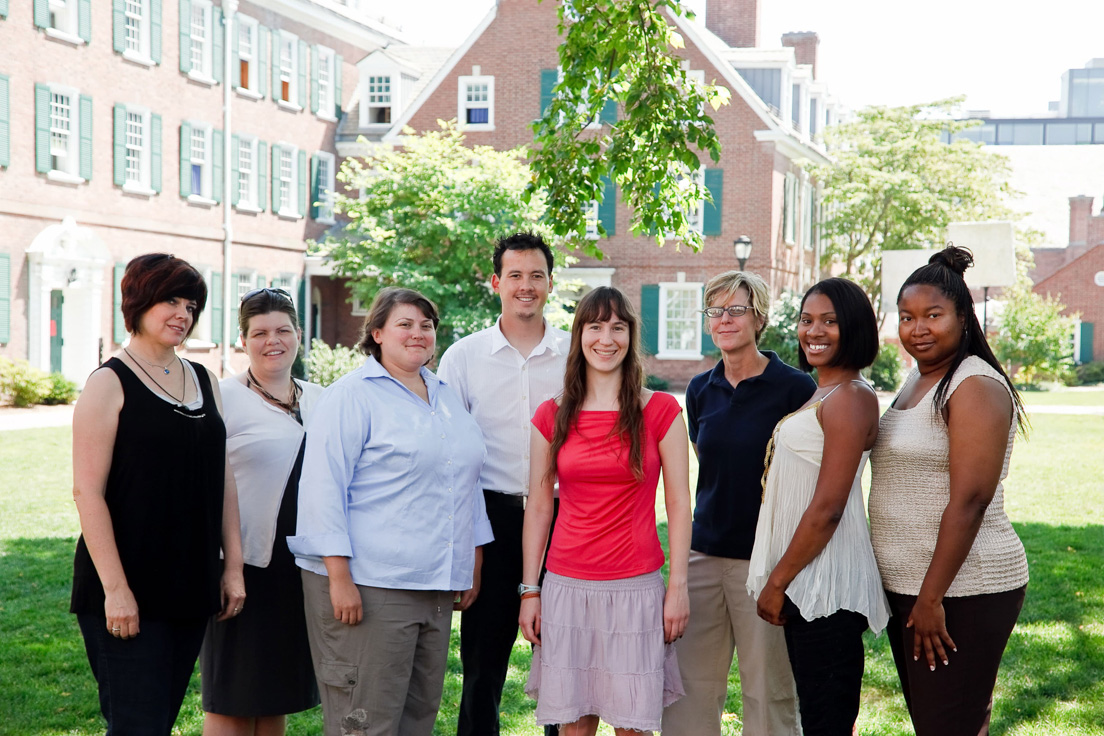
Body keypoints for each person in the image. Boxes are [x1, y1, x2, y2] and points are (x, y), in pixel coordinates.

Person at [288, 287, 493, 736]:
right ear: (377, 332)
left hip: (436, 587)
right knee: (365, 723)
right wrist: (339, 577)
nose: (418, 333)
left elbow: (465, 474)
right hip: (368, 586)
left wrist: (473, 554)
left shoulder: (444, 395)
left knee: (417, 719)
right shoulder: (352, 396)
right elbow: (322, 490)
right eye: (405, 324)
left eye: (426, 325)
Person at [70, 253, 246, 735]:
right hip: (128, 584)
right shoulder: (109, 382)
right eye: (170, 300)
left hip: (191, 582)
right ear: (138, 301)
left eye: (191, 305)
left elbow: (223, 476)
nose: (183, 315)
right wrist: (117, 590)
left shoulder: (204, 379)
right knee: (137, 725)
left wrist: (231, 567)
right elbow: (87, 492)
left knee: (159, 720)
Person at [869, 246, 1029, 736]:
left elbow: (970, 501)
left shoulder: (975, 384)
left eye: (933, 315)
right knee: (944, 723)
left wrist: (931, 598)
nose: (918, 328)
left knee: (947, 725)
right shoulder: (915, 379)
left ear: (964, 317)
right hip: (913, 590)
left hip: (962, 590)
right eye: (907, 317)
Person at [519, 285, 692, 735]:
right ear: (579, 335)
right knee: (575, 725)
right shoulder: (550, 416)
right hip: (566, 588)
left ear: (631, 336)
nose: (606, 338)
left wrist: (678, 587)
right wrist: (529, 590)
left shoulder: (661, 411)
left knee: (632, 726)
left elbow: (678, 503)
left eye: (618, 327)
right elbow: (538, 506)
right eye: (595, 326)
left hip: (636, 588)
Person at [662, 271, 814, 736]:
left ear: (759, 317)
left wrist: (785, 570)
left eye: (735, 310)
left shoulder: (795, 389)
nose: (724, 320)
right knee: (686, 690)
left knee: (768, 693)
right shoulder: (699, 390)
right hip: (704, 556)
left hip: (766, 563)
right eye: (715, 311)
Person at [436, 232, 570, 736]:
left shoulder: (575, 353)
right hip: (488, 518)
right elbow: (450, 454)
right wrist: (466, 541)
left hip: (562, 516)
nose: (526, 286)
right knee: (482, 662)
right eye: (515, 275)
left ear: (551, 284)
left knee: (560, 657)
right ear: (497, 282)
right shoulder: (464, 358)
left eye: (536, 275)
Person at [747, 278, 890, 735]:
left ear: (855, 328)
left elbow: (828, 507)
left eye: (830, 321)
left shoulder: (850, 397)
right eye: (807, 320)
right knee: (818, 714)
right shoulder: (825, 390)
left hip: (826, 589)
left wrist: (777, 581)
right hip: (809, 585)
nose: (815, 331)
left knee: (826, 720)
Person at [200, 287, 322, 735]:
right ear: (243, 340)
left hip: (299, 569)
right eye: (260, 332)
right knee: (230, 697)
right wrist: (228, 568)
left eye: (283, 330)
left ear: (298, 334)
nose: (273, 340)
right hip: (242, 564)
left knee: (276, 695)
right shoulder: (221, 398)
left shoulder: (321, 398)